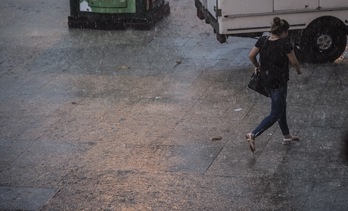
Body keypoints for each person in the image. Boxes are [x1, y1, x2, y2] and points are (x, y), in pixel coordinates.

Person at [246, 17, 302, 153]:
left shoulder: (263, 40)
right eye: (287, 32)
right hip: (278, 81)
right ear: (283, 32)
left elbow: (251, 55)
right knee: (275, 113)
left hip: (265, 80)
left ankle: (286, 135)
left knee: (281, 105)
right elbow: (294, 61)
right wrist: (299, 70)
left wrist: (257, 66)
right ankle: (253, 134)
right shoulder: (285, 43)